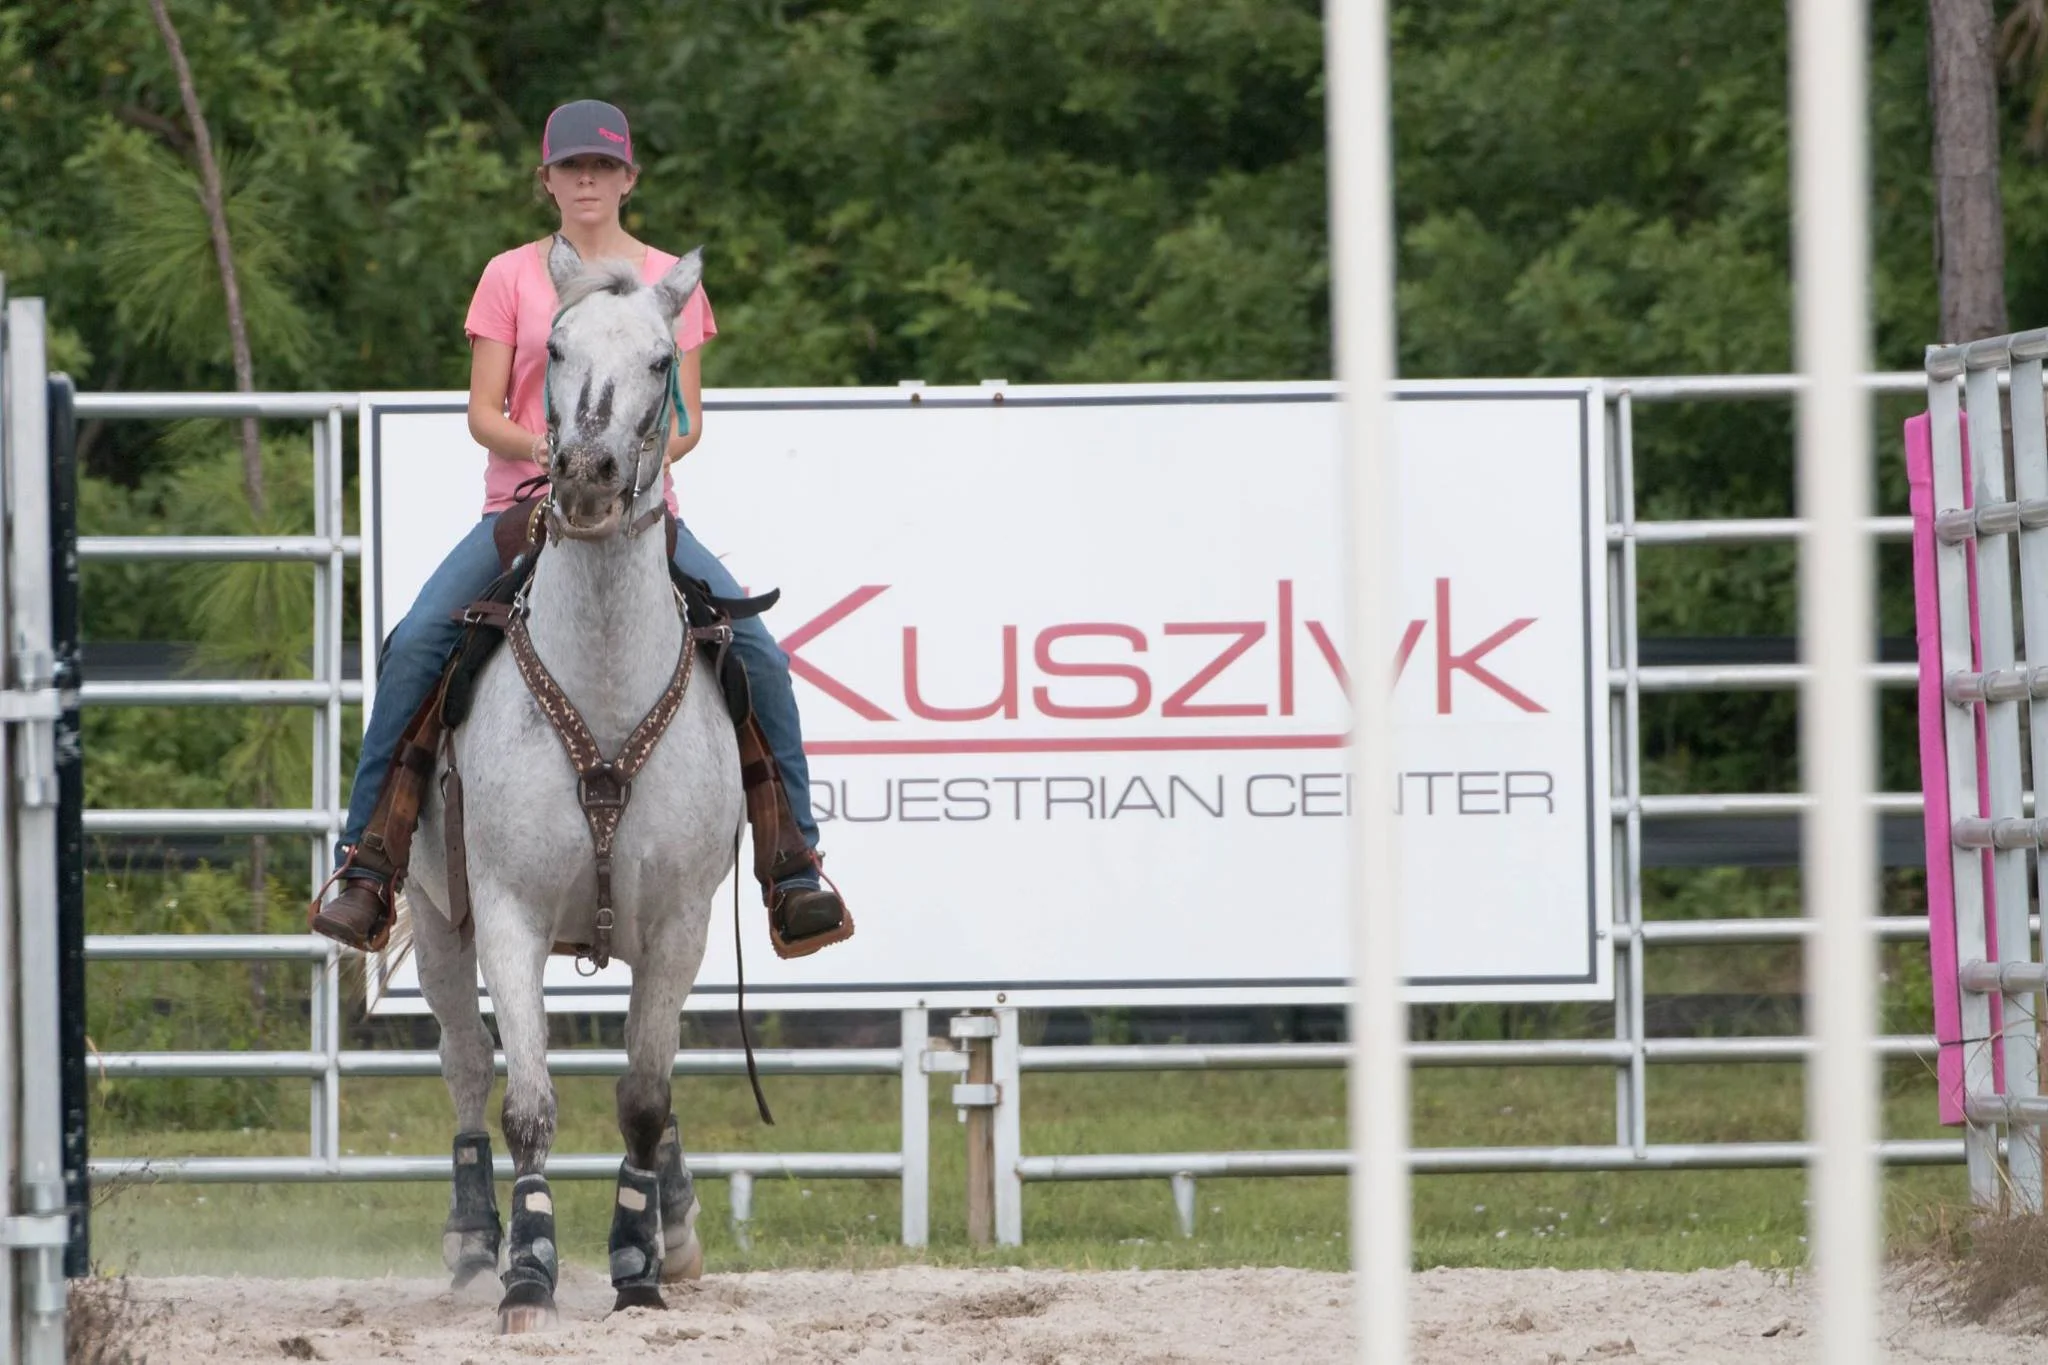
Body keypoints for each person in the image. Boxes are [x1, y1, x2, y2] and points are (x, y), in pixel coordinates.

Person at [309, 99, 849, 959]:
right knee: (414, 643)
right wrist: (559, 451)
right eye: (571, 167)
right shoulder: (510, 277)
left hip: (640, 510)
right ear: (548, 180)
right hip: (523, 507)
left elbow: (688, 420)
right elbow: (484, 412)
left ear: (629, 177)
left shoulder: (673, 281)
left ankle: (794, 866)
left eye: (603, 166)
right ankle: (367, 865)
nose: (587, 180)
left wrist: (622, 465)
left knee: (764, 659)